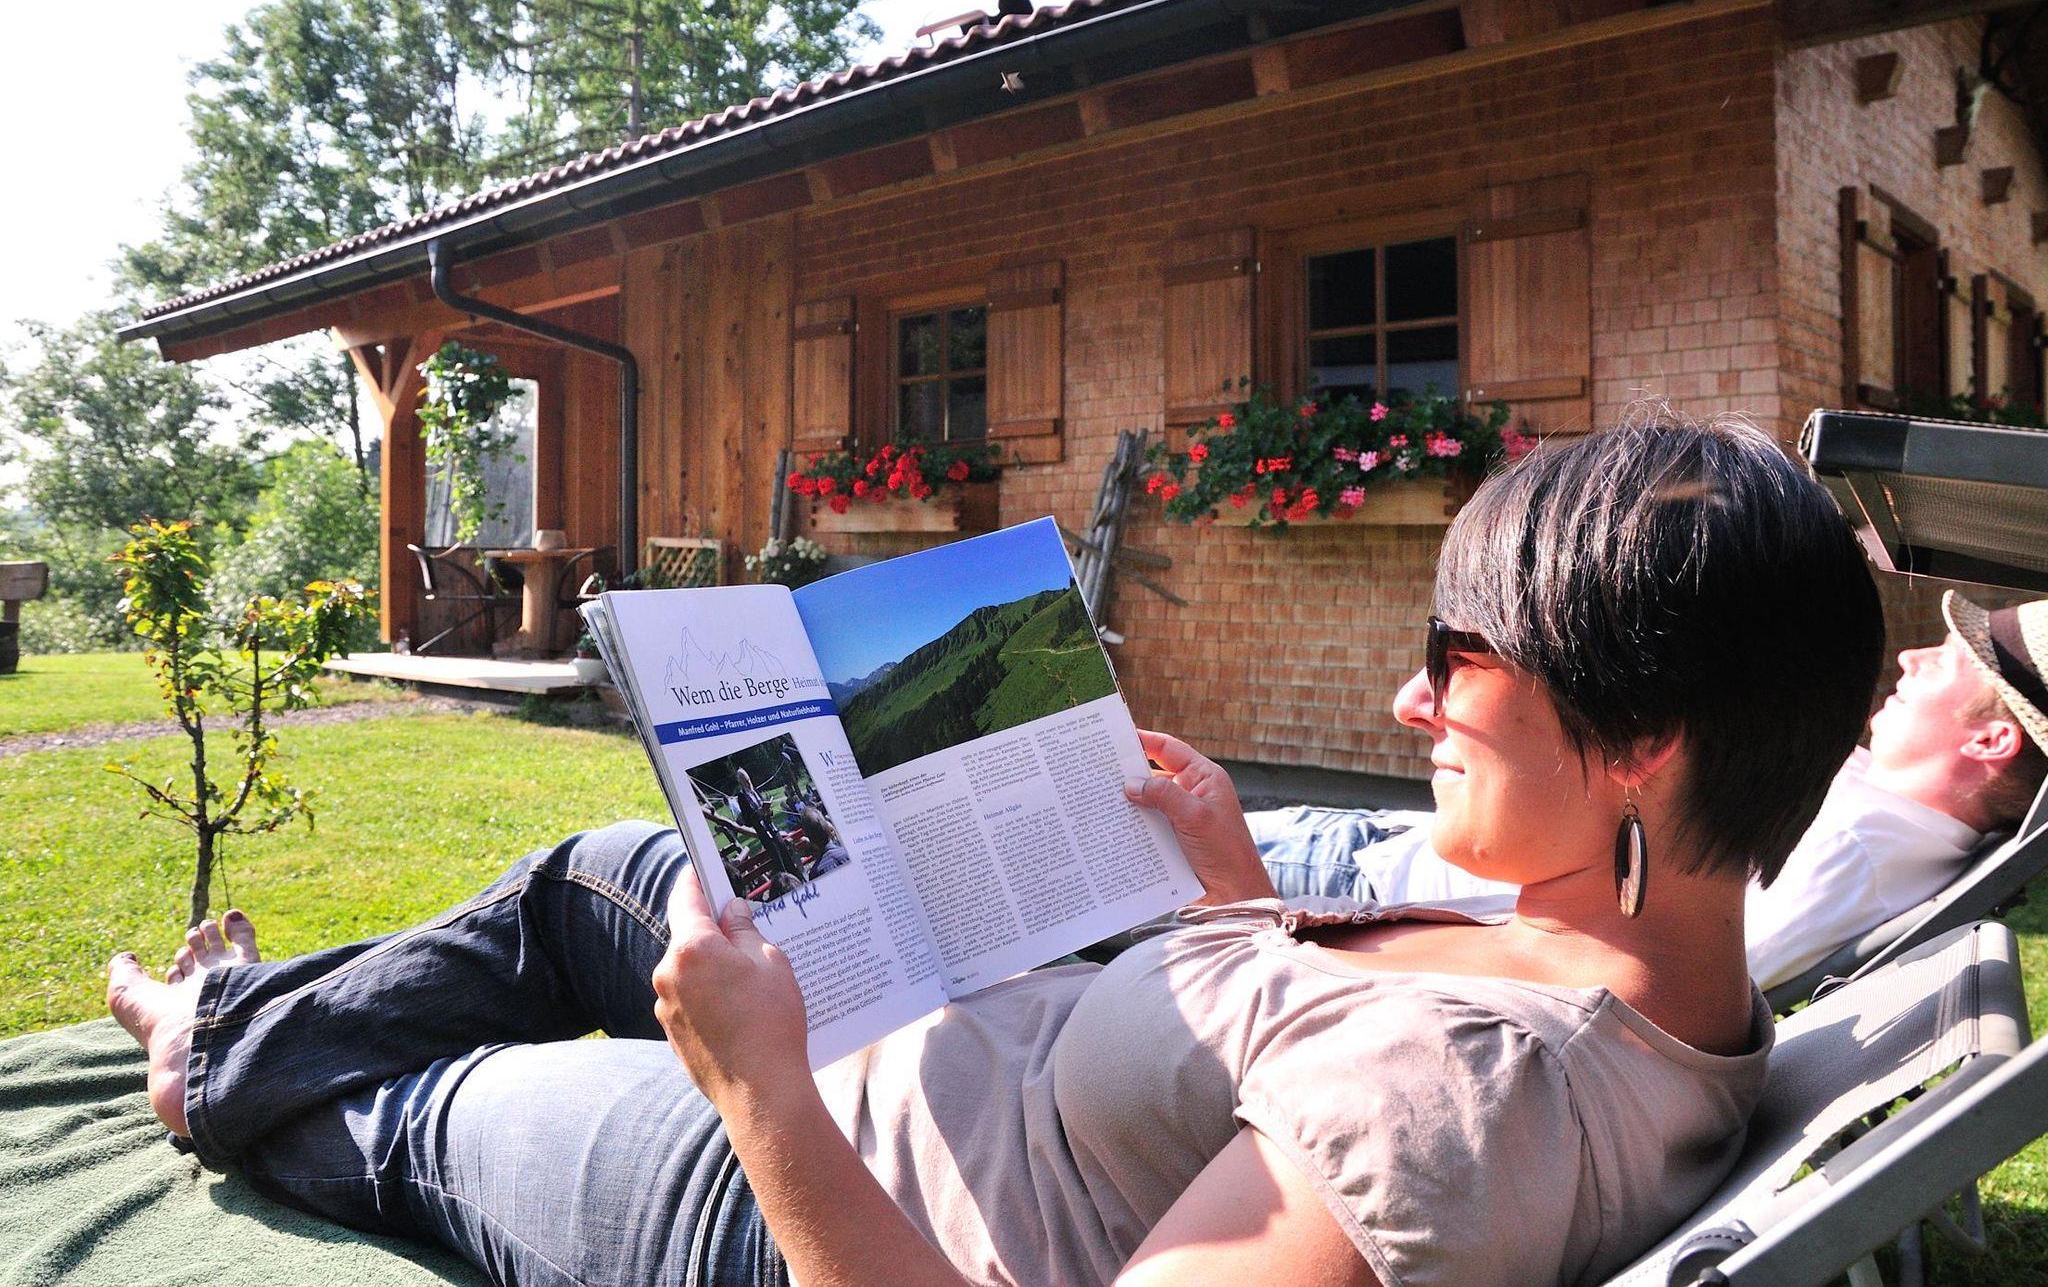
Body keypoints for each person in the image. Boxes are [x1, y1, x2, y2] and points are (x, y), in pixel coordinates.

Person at [104, 413, 1887, 1287]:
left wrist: (763, 1093)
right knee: (591, 871)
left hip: (809, 1190)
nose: (1411, 699)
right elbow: (1314, 1046)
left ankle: (212, 1054)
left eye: (1461, 657)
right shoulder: (1619, 949)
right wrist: (1230, 889)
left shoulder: (1465, 1108)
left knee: (419, 1112)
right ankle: (237, 1024)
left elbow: (1392, 1099)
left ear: (1643, 736)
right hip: (926, 1020)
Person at [1249, 591, 2048, 989]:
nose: (1911, 658)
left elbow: (1684, 975)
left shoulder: (1855, 853)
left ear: (1991, 741)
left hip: (1369, 898)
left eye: (1948, 660)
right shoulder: (1882, 815)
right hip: (1390, 858)